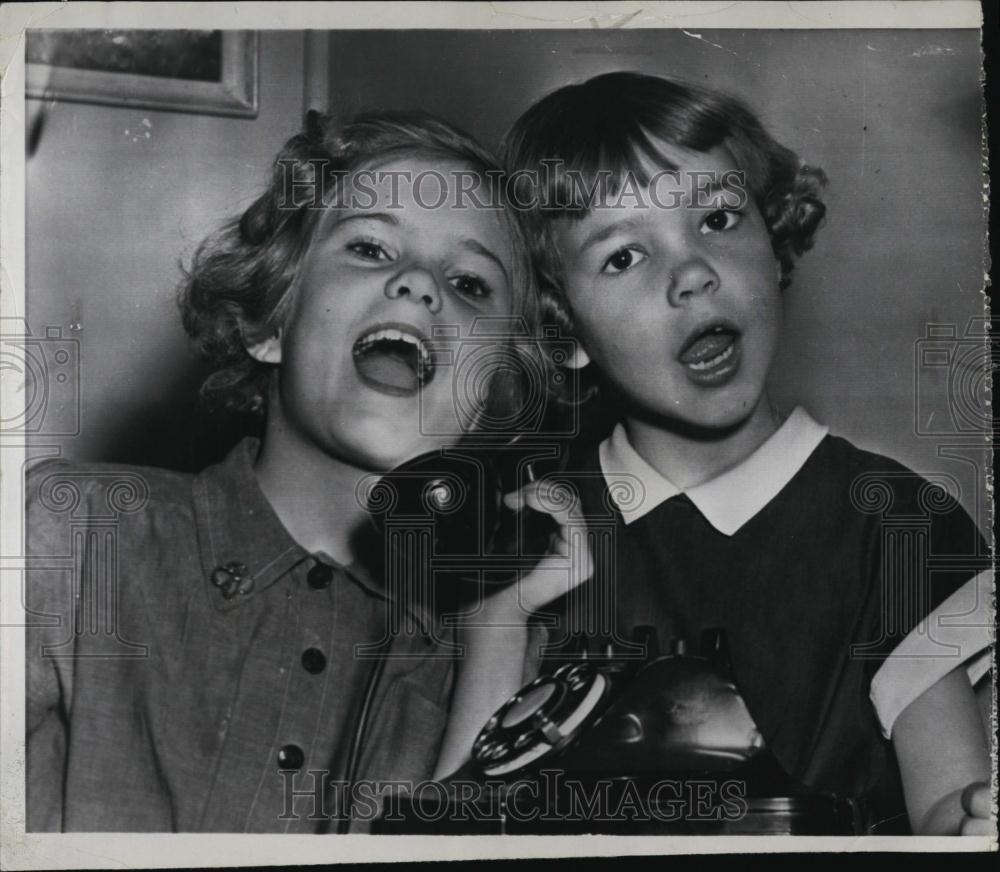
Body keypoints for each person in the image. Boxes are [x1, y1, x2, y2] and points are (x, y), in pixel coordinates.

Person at [436, 72, 992, 835]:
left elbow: (946, 802)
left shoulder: (898, 527)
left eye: (720, 218)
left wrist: (970, 823)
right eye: (624, 257)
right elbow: (451, 825)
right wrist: (499, 619)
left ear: (775, 240)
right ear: (562, 332)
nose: (693, 270)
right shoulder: (541, 528)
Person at [25, 110, 586, 832]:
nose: (420, 284)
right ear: (267, 326)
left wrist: (497, 631)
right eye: (372, 248)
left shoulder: (507, 662)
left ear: (495, 393)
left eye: (471, 284)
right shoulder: (70, 538)